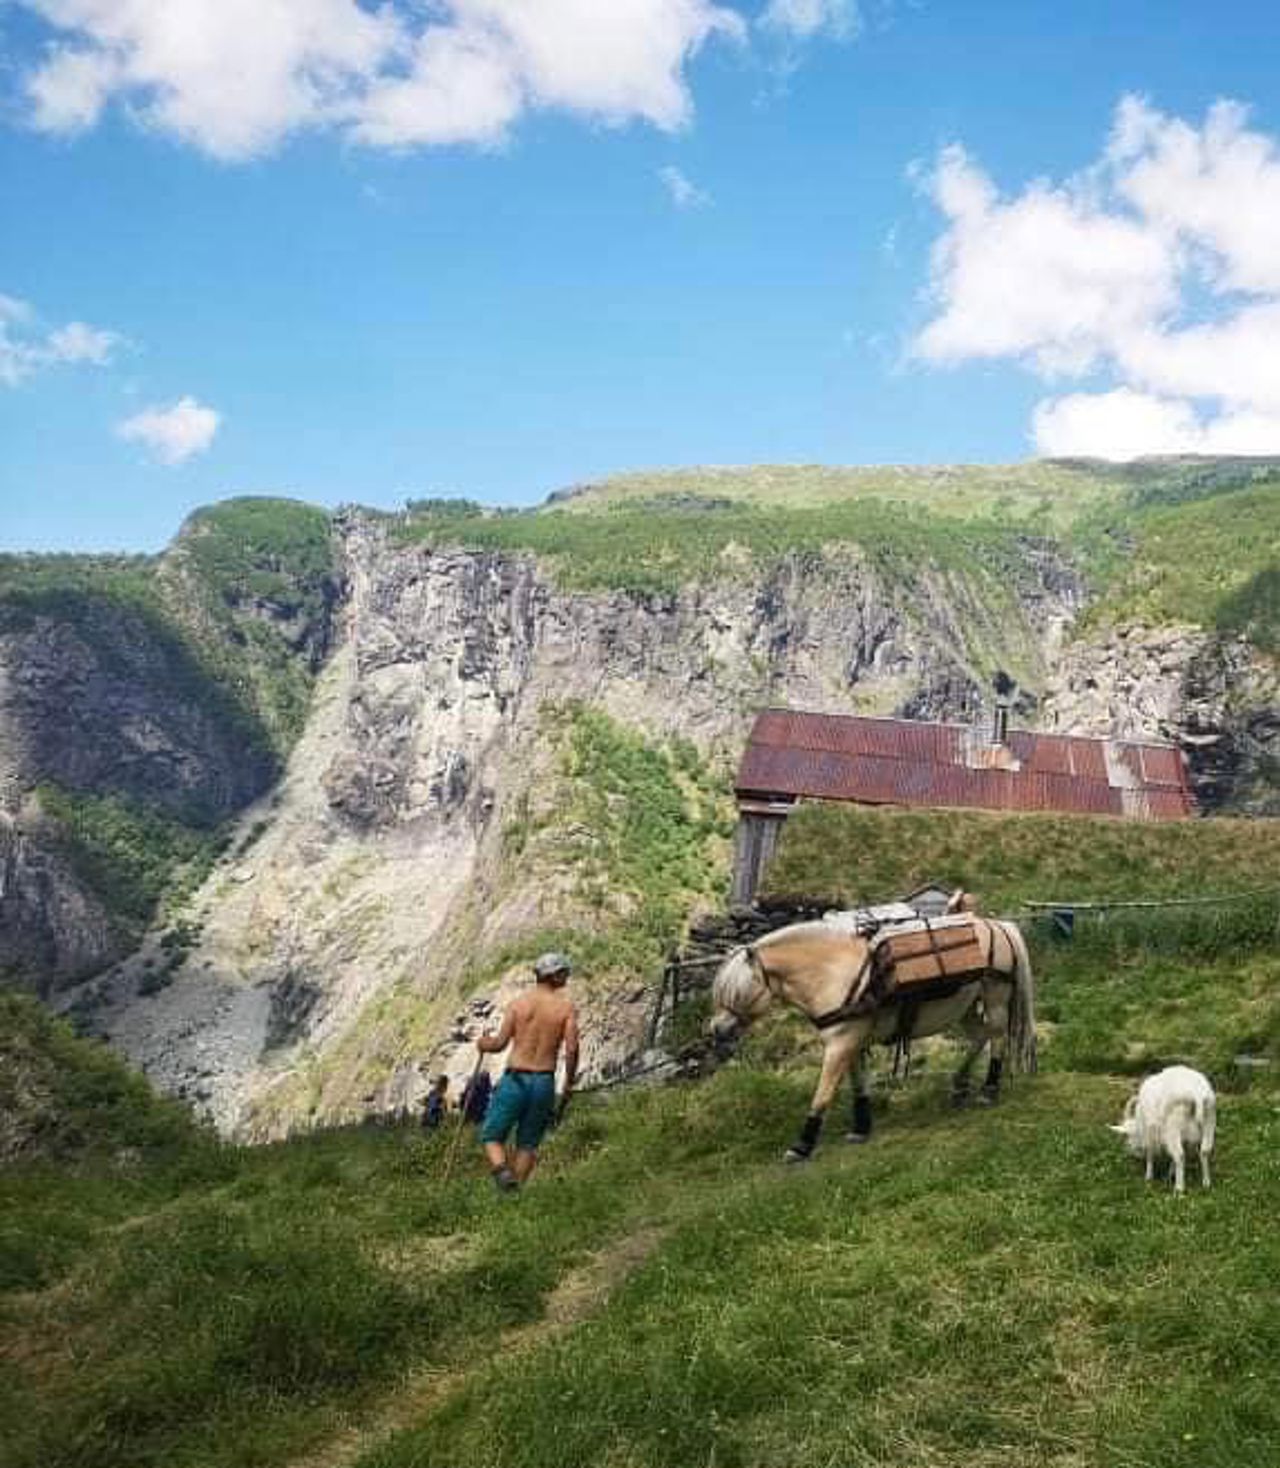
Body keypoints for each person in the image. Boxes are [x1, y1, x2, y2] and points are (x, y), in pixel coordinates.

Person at [475, 951, 579, 1192]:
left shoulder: (518, 1004)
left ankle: (502, 1172)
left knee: (491, 1136)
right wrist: (569, 1083)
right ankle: (514, 1195)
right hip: (543, 1081)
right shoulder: (565, 1008)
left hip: (515, 1079)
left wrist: (483, 1043)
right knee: (528, 1144)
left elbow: (499, 1044)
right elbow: (572, 1048)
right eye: (564, 972)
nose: (567, 976)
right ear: (553, 976)